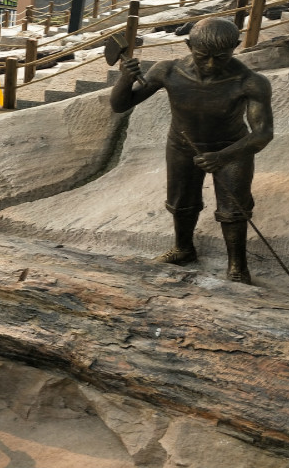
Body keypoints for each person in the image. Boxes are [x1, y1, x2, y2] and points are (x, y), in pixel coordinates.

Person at [109, 17, 274, 284]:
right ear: (188, 45)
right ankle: (183, 249)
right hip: (182, 146)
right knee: (181, 203)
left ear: (236, 47)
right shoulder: (168, 71)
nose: (210, 64)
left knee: (234, 210)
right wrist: (125, 79)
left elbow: (263, 134)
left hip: (232, 149)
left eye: (220, 57)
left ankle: (238, 267)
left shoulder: (250, 82)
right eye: (202, 56)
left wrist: (222, 156)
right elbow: (120, 105)